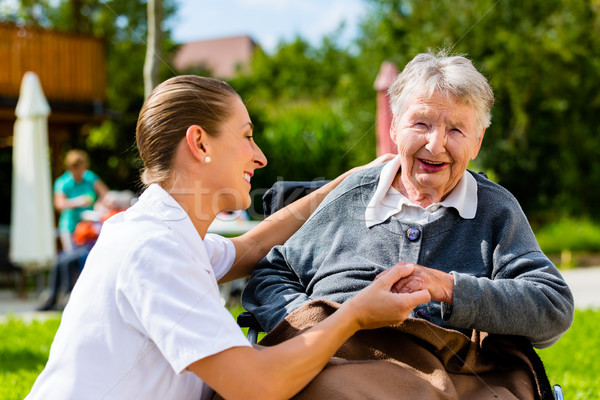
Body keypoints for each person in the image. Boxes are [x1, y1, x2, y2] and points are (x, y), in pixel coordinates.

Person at [26, 75, 430, 400]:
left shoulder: (162, 233)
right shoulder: (153, 250)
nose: (260, 156)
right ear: (200, 143)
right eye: (247, 136)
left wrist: (353, 179)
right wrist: (356, 314)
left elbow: (252, 246)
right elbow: (256, 385)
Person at [242, 52, 574, 349]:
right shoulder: (352, 195)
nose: (435, 144)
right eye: (421, 123)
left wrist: (449, 288)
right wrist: (311, 328)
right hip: (332, 374)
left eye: (456, 130)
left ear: (477, 142)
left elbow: (552, 306)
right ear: (395, 129)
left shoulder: (495, 211)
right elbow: (271, 273)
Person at [37, 190, 135, 311]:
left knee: (67, 262)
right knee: (59, 260)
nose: (109, 202)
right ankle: (52, 298)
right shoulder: (101, 213)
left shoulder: (119, 215)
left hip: (94, 248)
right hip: (84, 246)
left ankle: (68, 297)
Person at [53, 149, 109, 253]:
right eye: (79, 169)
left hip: (89, 227)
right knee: (73, 260)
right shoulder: (62, 182)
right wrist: (79, 201)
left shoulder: (89, 177)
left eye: (83, 168)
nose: (82, 171)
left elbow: (105, 193)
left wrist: (99, 204)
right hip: (70, 228)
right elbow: (59, 204)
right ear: (71, 168)